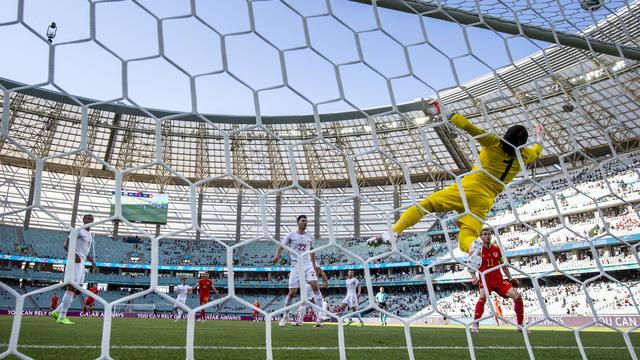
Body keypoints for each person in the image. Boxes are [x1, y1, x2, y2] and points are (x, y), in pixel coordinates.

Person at [368, 107, 544, 268]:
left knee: (424, 206)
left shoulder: (493, 142)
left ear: (506, 135)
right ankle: (472, 247)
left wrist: (444, 111)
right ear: (522, 143)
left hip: (466, 188)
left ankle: (395, 231)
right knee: (464, 238)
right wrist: (539, 136)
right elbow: (537, 150)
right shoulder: (524, 156)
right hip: (484, 200)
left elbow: (467, 126)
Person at [272, 215, 325, 327]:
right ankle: (285, 316)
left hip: (307, 265)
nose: (305, 222)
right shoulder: (291, 235)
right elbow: (281, 246)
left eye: (306, 221)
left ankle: (320, 314)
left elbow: (312, 251)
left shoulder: (310, 237)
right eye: (303, 220)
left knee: (315, 286)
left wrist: (314, 264)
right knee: (292, 293)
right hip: (296, 266)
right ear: (298, 222)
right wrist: (277, 255)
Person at [470, 229, 525, 333]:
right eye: (485, 234)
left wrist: (510, 278)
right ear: (481, 237)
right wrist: (474, 277)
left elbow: (503, 265)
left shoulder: (496, 249)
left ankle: (520, 325)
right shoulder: (478, 250)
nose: (487, 236)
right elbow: (471, 264)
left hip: (499, 280)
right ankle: (475, 324)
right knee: (482, 298)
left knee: (517, 296)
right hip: (485, 280)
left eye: (489, 234)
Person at [51, 214, 98, 325]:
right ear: (83, 220)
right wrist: (74, 254)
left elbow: (85, 252)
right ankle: (62, 316)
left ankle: (57, 312)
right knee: (71, 288)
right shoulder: (78, 230)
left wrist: (92, 261)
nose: (90, 220)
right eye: (88, 218)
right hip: (74, 262)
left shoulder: (89, 234)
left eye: (92, 219)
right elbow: (66, 245)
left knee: (78, 290)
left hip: (82, 263)